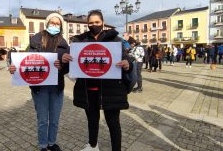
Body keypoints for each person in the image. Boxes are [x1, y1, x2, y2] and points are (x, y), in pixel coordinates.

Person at [62, 10, 132, 151]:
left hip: (110, 90)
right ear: (87, 24)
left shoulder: (115, 40)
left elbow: (127, 58)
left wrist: (127, 63)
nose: (94, 25)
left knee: (113, 123)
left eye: (97, 22)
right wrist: (65, 60)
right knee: (92, 121)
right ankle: (93, 146)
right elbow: (72, 65)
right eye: (91, 23)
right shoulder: (79, 41)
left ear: (103, 23)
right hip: (89, 90)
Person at [9, 12, 69, 151]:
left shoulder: (64, 43)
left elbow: (67, 69)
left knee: (54, 120)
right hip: (39, 87)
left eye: (57, 23)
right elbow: (26, 61)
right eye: (52, 23)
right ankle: (43, 145)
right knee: (43, 120)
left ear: (60, 26)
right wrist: (15, 68)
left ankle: (52, 143)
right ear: (47, 24)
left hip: (57, 87)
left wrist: (63, 66)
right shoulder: (35, 40)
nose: (55, 25)